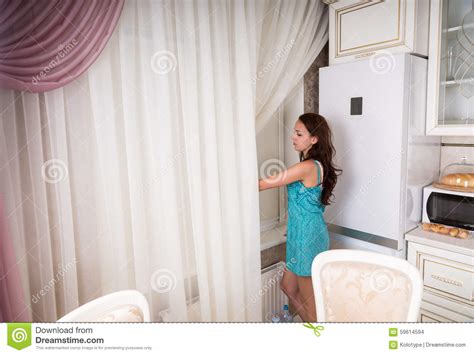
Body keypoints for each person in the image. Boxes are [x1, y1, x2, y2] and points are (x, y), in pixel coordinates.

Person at [259, 113, 341, 322]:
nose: (293, 137)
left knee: (310, 302)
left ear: (314, 139)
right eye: (294, 133)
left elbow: (263, 184)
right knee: (287, 286)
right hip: (299, 234)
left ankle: (317, 331)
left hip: (308, 239)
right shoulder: (312, 165)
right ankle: (316, 327)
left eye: (298, 133)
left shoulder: (308, 167)